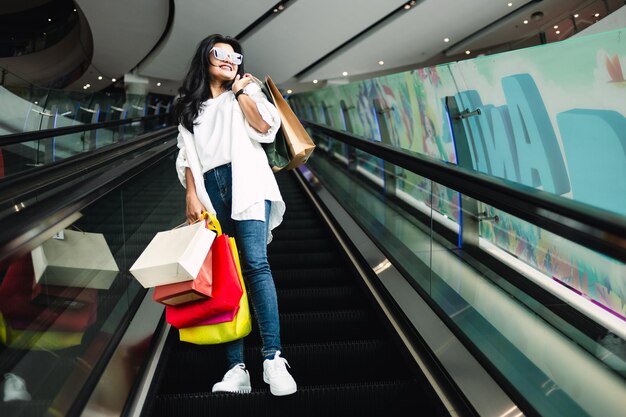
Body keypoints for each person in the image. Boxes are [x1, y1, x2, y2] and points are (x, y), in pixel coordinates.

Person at [174, 34, 296, 396]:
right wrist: (192, 194)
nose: (229, 59)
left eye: (235, 55)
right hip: (212, 188)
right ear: (205, 57)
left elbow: (265, 127)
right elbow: (186, 152)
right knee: (227, 274)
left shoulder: (246, 91)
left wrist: (243, 93)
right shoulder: (187, 106)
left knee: (256, 264)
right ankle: (236, 368)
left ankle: (273, 359)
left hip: (247, 182)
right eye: (221, 53)